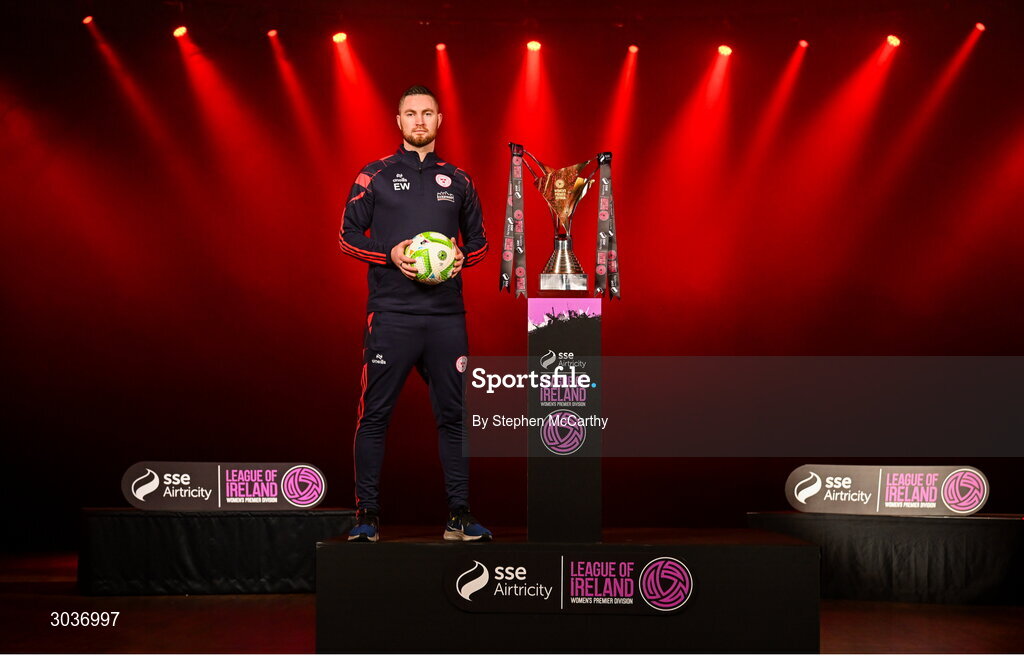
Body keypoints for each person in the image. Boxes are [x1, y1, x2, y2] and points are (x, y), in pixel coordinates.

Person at [338, 85, 491, 542]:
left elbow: (480, 243)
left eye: (427, 113)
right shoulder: (375, 175)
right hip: (392, 314)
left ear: (439, 121)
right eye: (411, 114)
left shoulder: (459, 179)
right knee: (375, 416)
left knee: (455, 416)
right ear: (399, 121)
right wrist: (392, 253)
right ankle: (367, 516)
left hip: (446, 316)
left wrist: (462, 257)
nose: (419, 121)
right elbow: (347, 236)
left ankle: (458, 517)